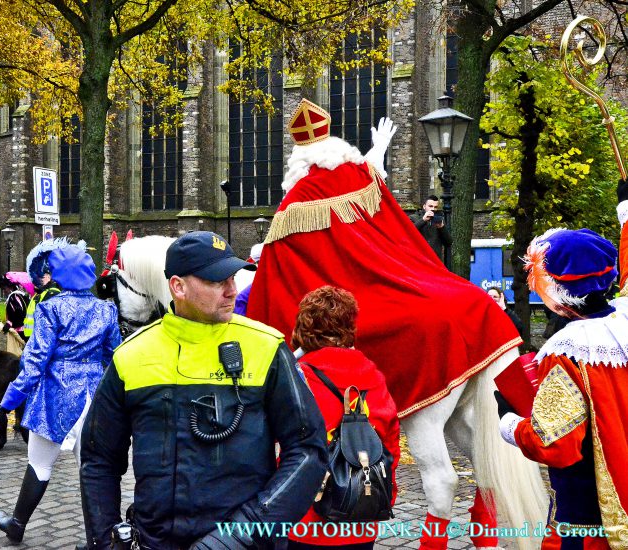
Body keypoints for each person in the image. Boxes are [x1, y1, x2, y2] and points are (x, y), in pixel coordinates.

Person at [245, 100, 521, 548]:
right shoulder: (360, 176)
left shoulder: (294, 201)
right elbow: (392, 236)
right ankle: (486, 531)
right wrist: (375, 161)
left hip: (349, 317)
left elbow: (278, 285)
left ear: (298, 156)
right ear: (334, 143)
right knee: (474, 437)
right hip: (423, 295)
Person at [80, 230, 327, 549]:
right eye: (215, 280)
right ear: (178, 287)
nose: (231, 290)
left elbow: (308, 447)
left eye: (232, 278)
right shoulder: (131, 355)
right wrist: (105, 540)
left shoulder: (266, 347)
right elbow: (99, 457)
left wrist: (241, 534)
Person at [495, 184, 628, 547]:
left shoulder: (567, 351)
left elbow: (554, 444)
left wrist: (509, 422)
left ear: (556, 290)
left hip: (589, 524)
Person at [0, 245, 121, 544]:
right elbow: (114, 356)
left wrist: (11, 398)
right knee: (92, 469)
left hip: (55, 395)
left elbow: (35, 360)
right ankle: (98, 539)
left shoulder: (50, 308)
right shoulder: (106, 309)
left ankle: (17, 524)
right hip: (94, 395)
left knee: (39, 463)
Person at [290, 286, 400, 550]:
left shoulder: (297, 378)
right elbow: (390, 443)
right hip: (360, 515)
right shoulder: (373, 376)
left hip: (305, 520)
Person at [409, 195, 452, 261]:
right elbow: (407, 232)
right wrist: (423, 220)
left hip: (435, 261)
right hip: (418, 260)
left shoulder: (439, 219)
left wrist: (442, 228)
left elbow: (448, 242)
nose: (433, 209)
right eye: (430, 206)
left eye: (435, 207)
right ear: (424, 206)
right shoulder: (413, 218)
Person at [0, 274, 30, 355]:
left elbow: (17, 313)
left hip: (19, 329)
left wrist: (8, 324)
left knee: (17, 351)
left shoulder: (14, 297)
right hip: (26, 327)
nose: (4, 291)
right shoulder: (22, 296)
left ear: (10, 287)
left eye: (4, 289)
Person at [23, 271, 59, 340]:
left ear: (49, 277)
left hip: (42, 338)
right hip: (32, 336)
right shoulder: (39, 293)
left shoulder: (52, 293)